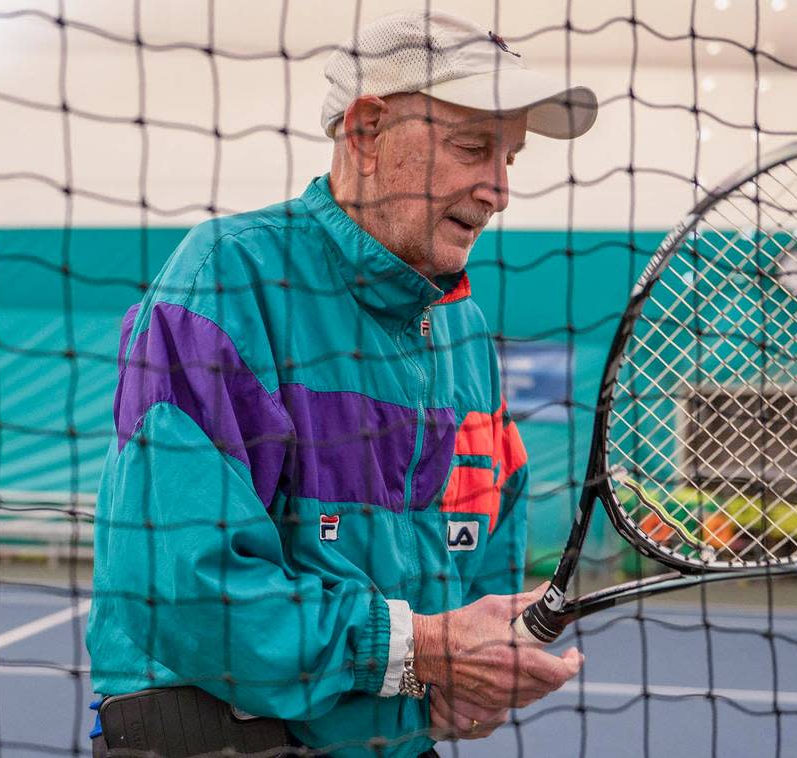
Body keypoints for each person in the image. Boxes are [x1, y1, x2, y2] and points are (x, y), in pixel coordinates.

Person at [85, 10, 598, 757]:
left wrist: (471, 667)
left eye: (510, 157)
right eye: (471, 147)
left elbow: (485, 545)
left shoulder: (463, 334)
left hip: (391, 740)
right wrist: (422, 650)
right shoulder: (225, 278)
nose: (498, 190)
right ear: (365, 131)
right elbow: (183, 589)